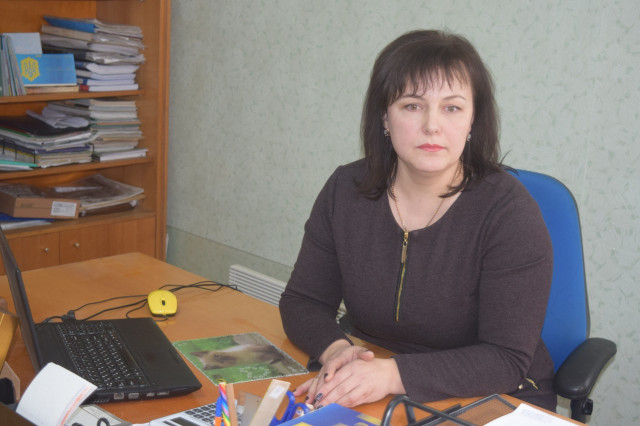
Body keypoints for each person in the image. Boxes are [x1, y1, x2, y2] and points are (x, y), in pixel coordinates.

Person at [279, 29, 556, 412]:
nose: (431, 125)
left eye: (452, 108)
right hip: (377, 378)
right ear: (384, 117)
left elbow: (505, 358)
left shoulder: (509, 212)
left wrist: (391, 375)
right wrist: (337, 351)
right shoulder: (347, 189)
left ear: (473, 120)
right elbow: (303, 301)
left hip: (493, 396)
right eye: (412, 105)